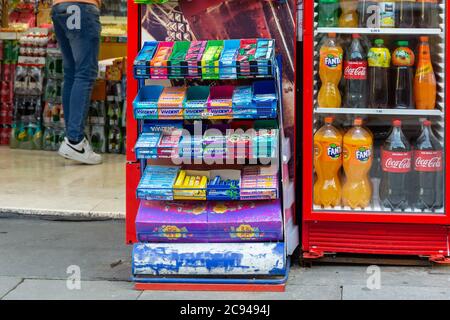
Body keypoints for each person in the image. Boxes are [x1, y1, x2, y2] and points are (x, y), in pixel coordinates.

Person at [51, 0, 102, 164]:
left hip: (59, 8)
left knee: (72, 74)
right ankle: (75, 141)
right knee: (84, 74)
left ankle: (72, 139)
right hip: (81, 7)